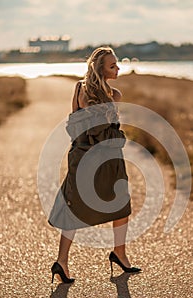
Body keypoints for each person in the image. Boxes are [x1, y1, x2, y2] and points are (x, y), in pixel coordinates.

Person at [48, 47, 141, 283]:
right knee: (114, 205)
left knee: (81, 205)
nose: (118, 68)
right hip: (104, 157)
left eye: (117, 64)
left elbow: (74, 124)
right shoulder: (112, 95)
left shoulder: (84, 90)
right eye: (113, 66)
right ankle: (114, 253)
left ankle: (64, 261)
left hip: (88, 155)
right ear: (100, 70)